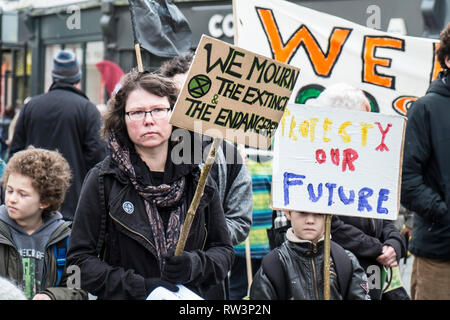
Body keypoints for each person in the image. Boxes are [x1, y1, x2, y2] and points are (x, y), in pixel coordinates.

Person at [66, 70, 234, 300]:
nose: (148, 120)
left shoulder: (198, 178)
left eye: (158, 110)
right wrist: (142, 287)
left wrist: (193, 265)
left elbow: (224, 252)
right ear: (122, 119)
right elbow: (78, 263)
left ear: (175, 115)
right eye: (136, 112)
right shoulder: (103, 179)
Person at [160, 52, 253, 299]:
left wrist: (204, 238)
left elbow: (240, 220)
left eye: (193, 94)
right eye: (176, 97)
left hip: (207, 279)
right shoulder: (148, 150)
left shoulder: (228, 154)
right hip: (153, 277)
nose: (185, 104)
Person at [310, 83, 407, 300]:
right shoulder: (317, 162)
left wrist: (394, 244)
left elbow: (384, 214)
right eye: (365, 116)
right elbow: (328, 224)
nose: (370, 124)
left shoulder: (368, 159)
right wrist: (377, 248)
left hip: (375, 270)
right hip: (337, 270)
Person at [9, 50, 107, 221]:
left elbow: (15, 153)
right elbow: (98, 157)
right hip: (73, 204)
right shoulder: (87, 109)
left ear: (53, 77)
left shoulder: (31, 106)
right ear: (78, 78)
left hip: (31, 203)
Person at [400, 23, 450, 300]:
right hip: (440, 257)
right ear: (447, 59)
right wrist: (444, 214)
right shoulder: (424, 109)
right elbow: (406, 180)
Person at [0, 147, 87, 300]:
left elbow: (78, 291)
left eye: (22, 194)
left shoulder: (66, 240)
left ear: (45, 201)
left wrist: (52, 296)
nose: (12, 199)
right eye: (9, 190)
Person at [250, 211, 370, 300]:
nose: (310, 220)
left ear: (330, 215)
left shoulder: (345, 260)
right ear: (288, 213)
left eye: (318, 213)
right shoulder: (273, 265)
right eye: (302, 213)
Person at [229, 149, 273, 300]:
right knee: (237, 291)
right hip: (241, 245)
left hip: (266, 245)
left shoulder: (273, 159)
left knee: (263, 292)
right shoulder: (237, 154)